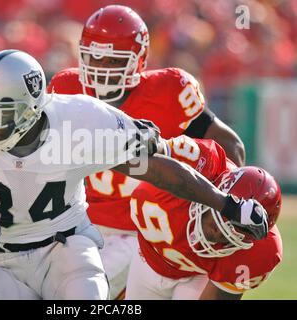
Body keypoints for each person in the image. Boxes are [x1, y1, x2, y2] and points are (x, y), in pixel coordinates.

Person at [0, 49, 266, 300]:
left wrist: (225, 204)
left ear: (31, 108)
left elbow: (159, 172)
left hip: (67, 245)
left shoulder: (76, 125)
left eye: (0, 113)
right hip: (1, 259)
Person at [47, 4, 246, 299]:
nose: (101, 70)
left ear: (138, 60)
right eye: (94, 59)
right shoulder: (66, 86)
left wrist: (216, 198)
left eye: (113, 62)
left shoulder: (168, 90)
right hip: (82, 226)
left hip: (142, 230)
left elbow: (231, 149)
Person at [126, 135, 282, 300]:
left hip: (196, 275)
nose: (217, 235)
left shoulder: (262, 251)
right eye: (218, 221)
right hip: (148, 258)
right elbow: (148, 149)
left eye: (230, 238)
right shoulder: (202, 162)